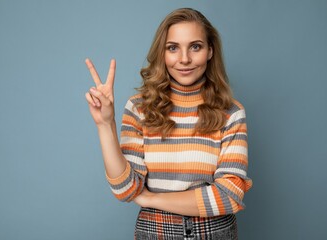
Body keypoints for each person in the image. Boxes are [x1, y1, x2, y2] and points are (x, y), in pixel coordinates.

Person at [85, 8, 252, 240]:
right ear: (162, 53)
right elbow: (125, 189)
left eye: (195, 46)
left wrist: (151, 199)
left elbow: (229, 196)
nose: (184, 58)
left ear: (210, 51)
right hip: (155, 231)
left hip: (214, 233)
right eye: (173, 48)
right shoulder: (139, 108)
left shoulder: (231, 113)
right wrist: (105, 124)